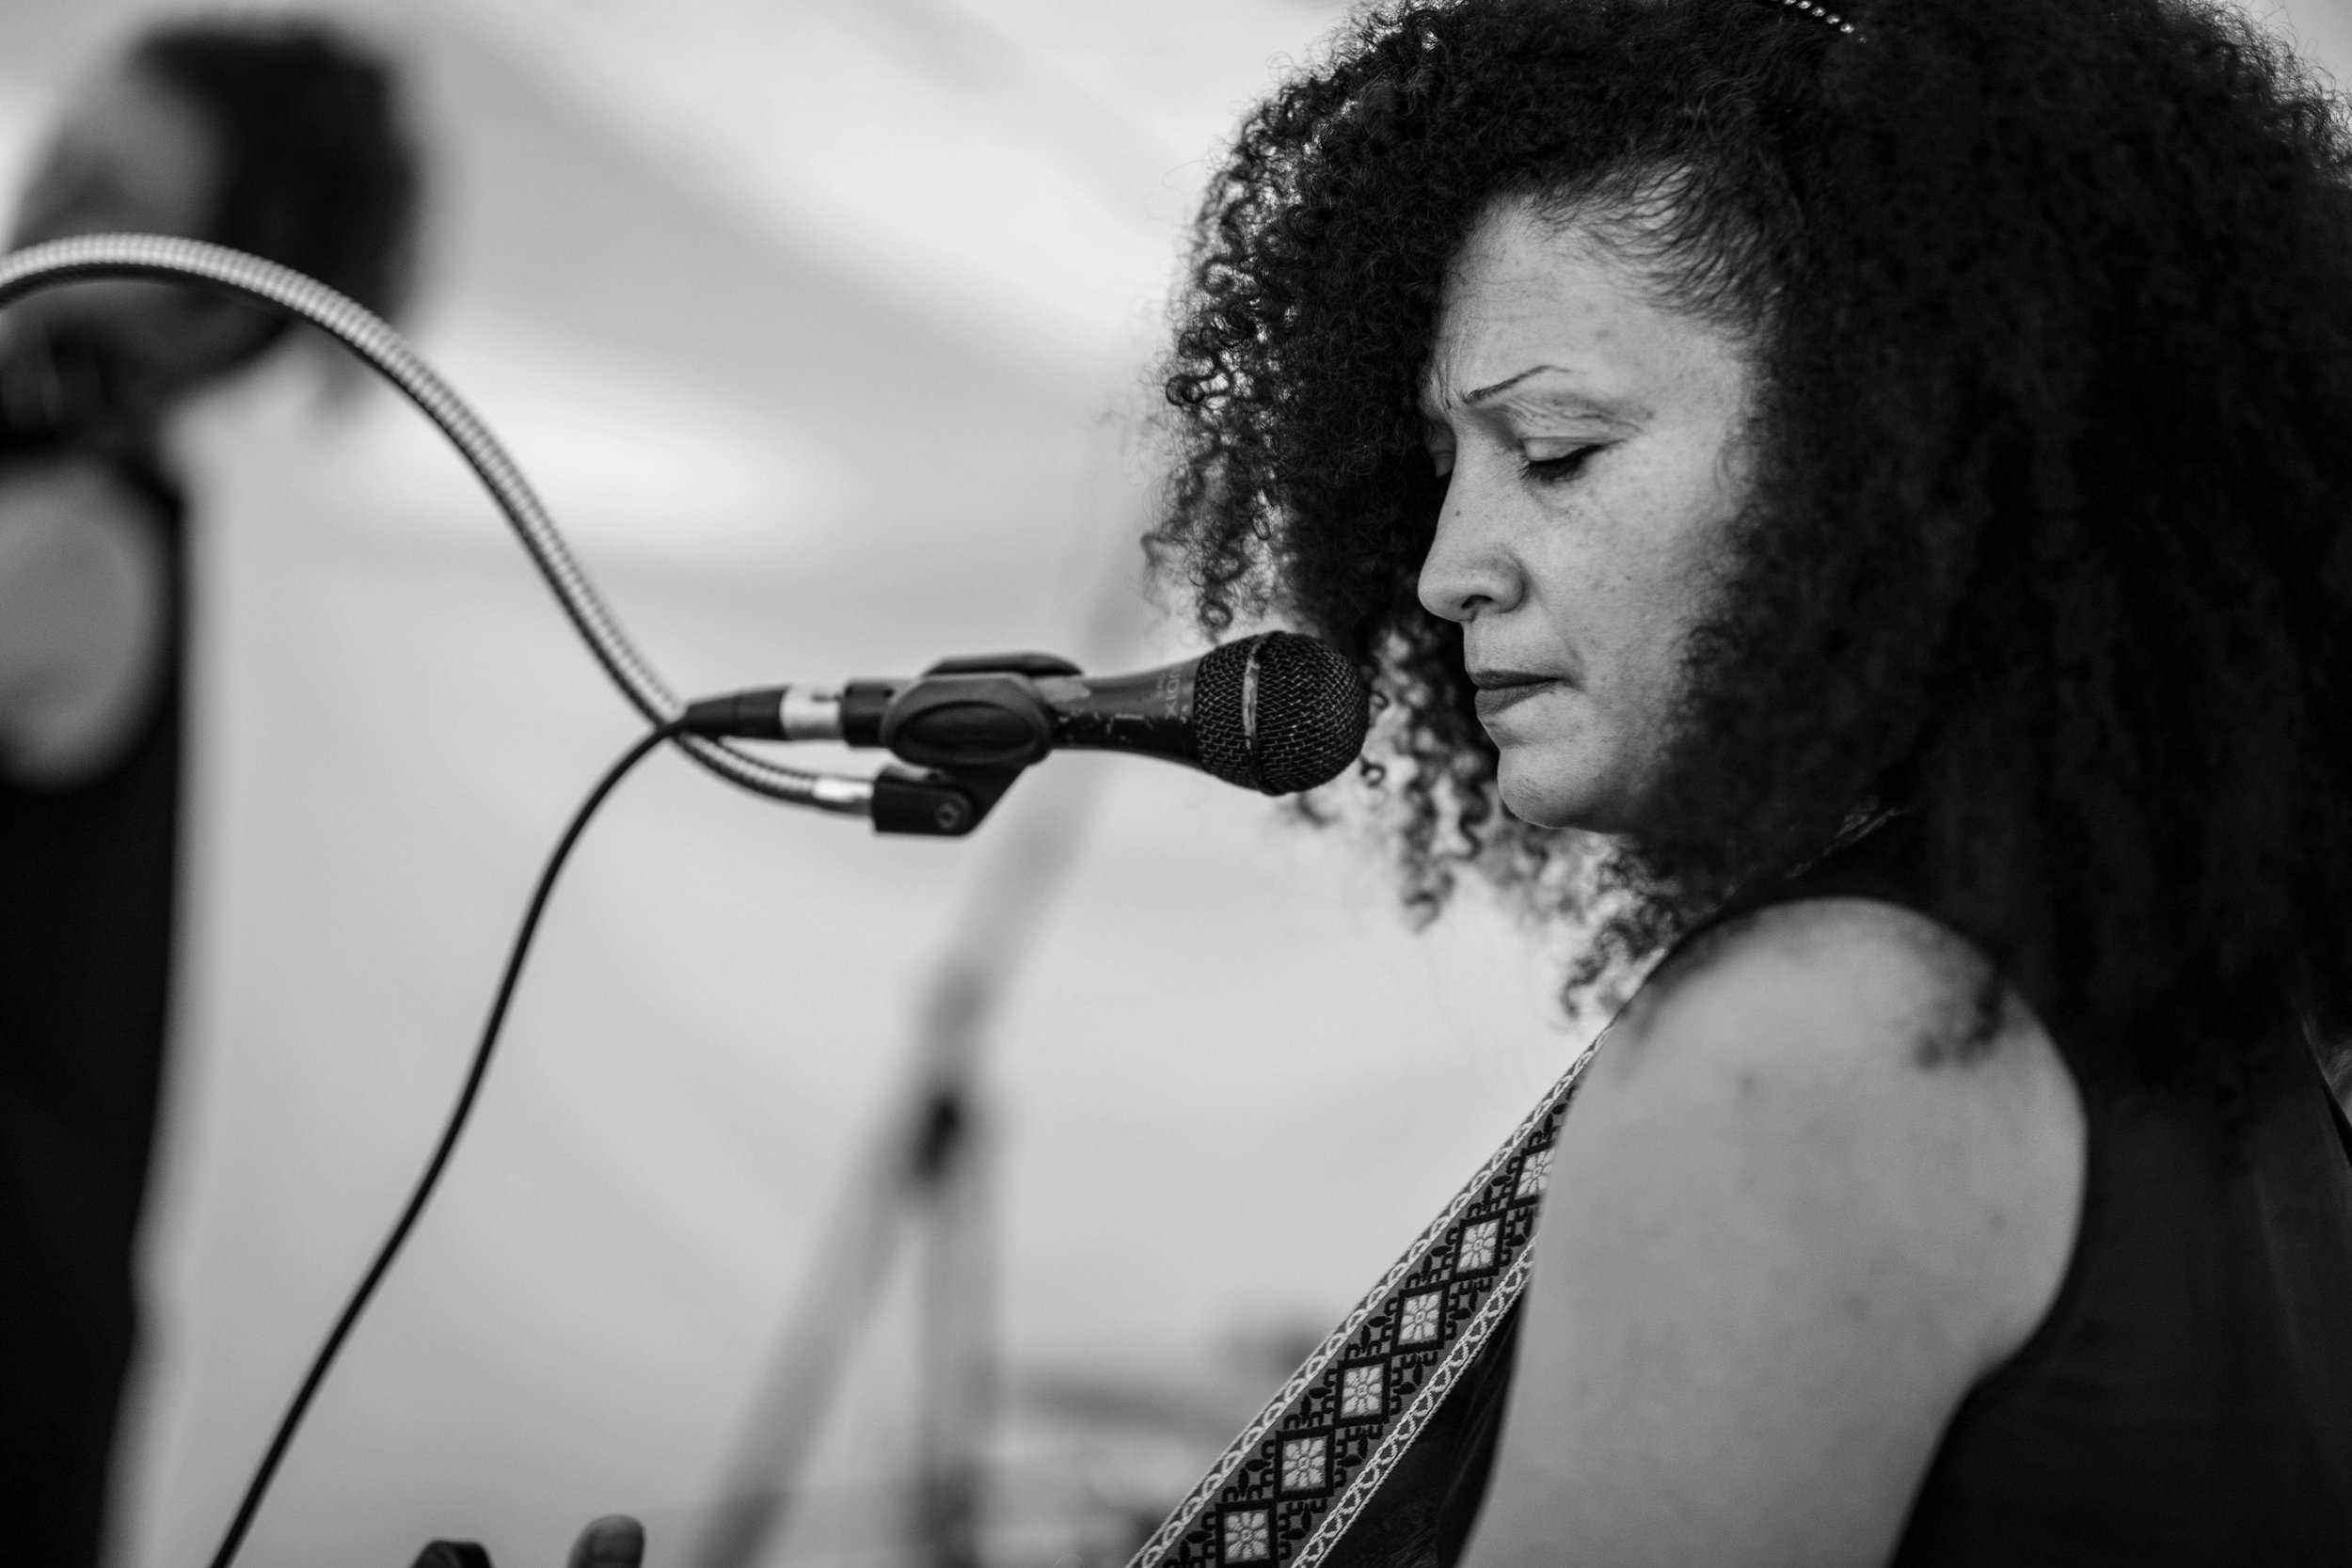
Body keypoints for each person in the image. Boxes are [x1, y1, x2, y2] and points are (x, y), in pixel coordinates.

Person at [1140, 0, 2352, 1561]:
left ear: (1893, 451)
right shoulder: (2215, 1042)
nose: (1443, 572)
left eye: (1558, 450)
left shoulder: (1818, 1037)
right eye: (1443, 468)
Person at [0, 19, 417, 1561]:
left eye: (103, 191)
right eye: (64, 148)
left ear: (210, 322)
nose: (40, 204)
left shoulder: (76, 544)